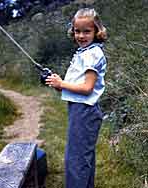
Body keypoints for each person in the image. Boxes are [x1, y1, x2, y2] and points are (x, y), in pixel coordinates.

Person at [45, 8, 107, 188]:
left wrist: (62, 84)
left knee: (76, 160)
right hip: (80, 109)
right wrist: (59, 83)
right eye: (77, 31)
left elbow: (87, 88)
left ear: (97, 31)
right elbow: (78, 85)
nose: (81, 35)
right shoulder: (85, 52)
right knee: (82, 158)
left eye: (87, 31)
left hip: (85, 111)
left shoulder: (92, 53)